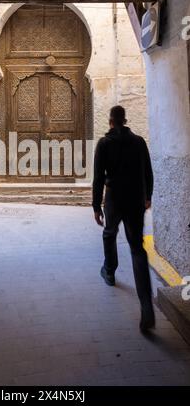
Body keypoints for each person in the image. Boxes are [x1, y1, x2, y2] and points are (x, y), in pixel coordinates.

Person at [92, 105, 155, 333]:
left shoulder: (104, 143)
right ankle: (146, 306)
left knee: (109, 233)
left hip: (114, 199)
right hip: (135, 200)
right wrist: (147, 196)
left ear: (110, 121)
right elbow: (148, 172)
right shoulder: (139, 142)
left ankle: (109, 270)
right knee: (137, 248)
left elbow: (99, 177)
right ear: (125, 120)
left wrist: (95, 205)